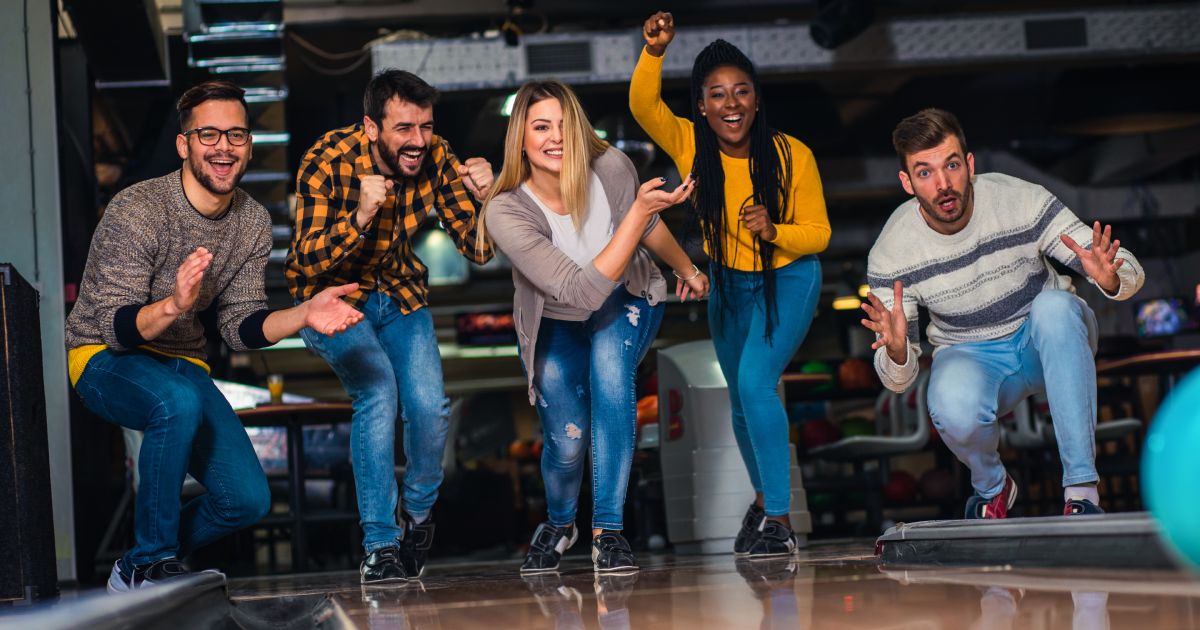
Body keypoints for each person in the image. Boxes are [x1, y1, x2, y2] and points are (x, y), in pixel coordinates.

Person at [66, 81, 364, 592]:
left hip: (183, 365)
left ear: (249, 145)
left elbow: (240, 325)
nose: (223, 146)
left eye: (236, 134)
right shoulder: (137, 209)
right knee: (176, 401)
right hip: (101, 357)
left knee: (246, 499)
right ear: (184, 144)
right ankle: (148, 564)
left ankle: (143, 562)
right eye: (209, 134)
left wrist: (304, 314)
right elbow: (115, 327)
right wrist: (175, 305)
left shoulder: (251, 220)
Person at [861, 108, 1145, 519]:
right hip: (970, 355)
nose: (943, 184)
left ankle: (1081, 493)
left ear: (970, 165)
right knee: (948, 402)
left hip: (1046, 336)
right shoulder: (892, 253)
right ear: (906, 182)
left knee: (1055, 307)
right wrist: (900, 351)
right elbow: (897, 380)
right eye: (925, 173)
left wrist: (1113, 276)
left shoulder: (1020, 200)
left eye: (952, 165)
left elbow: (1131, 273)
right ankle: (993, 487)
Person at [483, 80, 705, 574]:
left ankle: (608, 530)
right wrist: (641, 213)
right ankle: (562, 523)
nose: (556, 138)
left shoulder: (611, 167)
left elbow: (644, 225)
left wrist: (686, 269)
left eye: (566, 126)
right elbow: (579, 291)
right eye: (541, 127)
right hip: (559, 317)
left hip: (626, 297)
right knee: (567, 441)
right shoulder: (505, 209)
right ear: (521, 137)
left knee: (611, 376)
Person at [631, 12, 831, 556]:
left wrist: (776, 230)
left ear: (757, 99)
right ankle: (766, 503)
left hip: (787, 278)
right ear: (701, 105)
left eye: (742, 91)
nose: (732, 103)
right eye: (717, 94)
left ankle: (780, 520)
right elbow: (644, 107)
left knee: (755, 385)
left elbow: (819, 235)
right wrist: (654, 51)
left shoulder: (793, 155)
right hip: (727, 285)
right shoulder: (690, 146)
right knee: (740, 402)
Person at [285, 69, 494, 583]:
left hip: (399, 293)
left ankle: (418, 517)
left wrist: (493, 197)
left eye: (425, 126)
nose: (418, 141)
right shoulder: (326, 160)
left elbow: (480, 249)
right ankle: (380, 544)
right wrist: (358, 216)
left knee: (428, 406)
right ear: (371, 127)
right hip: (330, 298)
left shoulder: (438, 157)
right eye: (404, 128)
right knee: (378, 391)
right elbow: (305, 262)